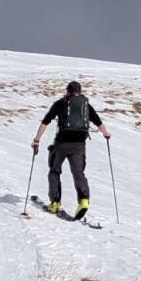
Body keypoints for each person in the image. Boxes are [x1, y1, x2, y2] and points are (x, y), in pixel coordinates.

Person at [32, 80, 110, 218]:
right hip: (79, 145)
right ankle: (84, 200)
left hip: (61, 143)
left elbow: (45, 121)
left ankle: (55, 203)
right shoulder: (85, 106)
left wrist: (36, 140)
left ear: (67, 91)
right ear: (79, 91)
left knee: (54, 171)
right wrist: (106, 134)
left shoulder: (61, 103)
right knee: (78, 173)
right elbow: (98, 122)